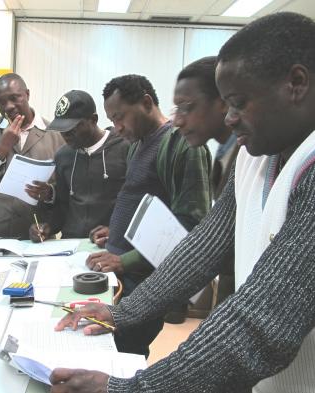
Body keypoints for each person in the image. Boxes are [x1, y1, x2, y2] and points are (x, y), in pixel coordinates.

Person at [51, 11, 315, 393]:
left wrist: (131, 388)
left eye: (239, 103)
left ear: (296, 83)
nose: (230, 118)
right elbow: (201, 249)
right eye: (226, 104)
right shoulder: (255, 157)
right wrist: (123, 313)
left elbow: (260, 323)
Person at [88, 74, 212, 352]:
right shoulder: (137, 145)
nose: (116, 128)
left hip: (144, 283)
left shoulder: (182, 145)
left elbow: (191, 225)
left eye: (120, 117)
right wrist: (116, 232)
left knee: (123, 354)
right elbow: (147, 205)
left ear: (145, 103)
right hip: (121, 276)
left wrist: (124, 259)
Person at [173, 56, 239, 309]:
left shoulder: (253, 154)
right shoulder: (224, 154)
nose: (178, 120)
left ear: (222, 102)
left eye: (186, 107)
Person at [0, 73, 65, 239]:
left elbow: (64, 187)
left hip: (38, 233)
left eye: (14, 98)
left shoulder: (55, 134)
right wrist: (2, 148)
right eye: (1, 102)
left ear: (27, 94)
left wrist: (50, 193)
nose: (8, 106)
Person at [27, 90, 129, 241]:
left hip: (109, 243)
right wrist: (47, 227)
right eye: (62, 129)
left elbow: (134, 202)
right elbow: (62, 207)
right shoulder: (63, 156)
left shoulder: (124, 147)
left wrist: (116, 231)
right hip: (70, 245)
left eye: (73, 128)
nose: (66, 135)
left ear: (93, 120)